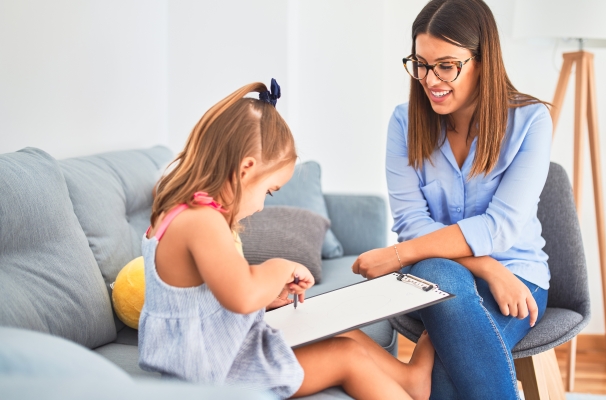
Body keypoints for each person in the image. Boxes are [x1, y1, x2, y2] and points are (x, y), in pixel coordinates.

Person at [138, 80, 436, 400]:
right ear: (245, 169)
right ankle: (409, 384)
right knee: (348, 358)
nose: (262, 205)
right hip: (219, 374)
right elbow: (241, 294)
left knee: (331, 324)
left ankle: (409, 378)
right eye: (269, 190)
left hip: (211, 356)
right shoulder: (202, 221)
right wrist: (278, 268)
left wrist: (267, 298)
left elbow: (198, 303)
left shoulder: (179, 213)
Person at [351, 1, 552, 398]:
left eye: (446, 65)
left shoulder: (531, 121)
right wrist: (489, 269)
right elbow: (412, 222)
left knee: (444, 380)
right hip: (448, 275)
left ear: (483, 61)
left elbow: (501, 228)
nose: (430, 79)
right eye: (421, 64)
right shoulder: (403, 122)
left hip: (519, 279)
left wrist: (396, 255)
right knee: (442, 275)